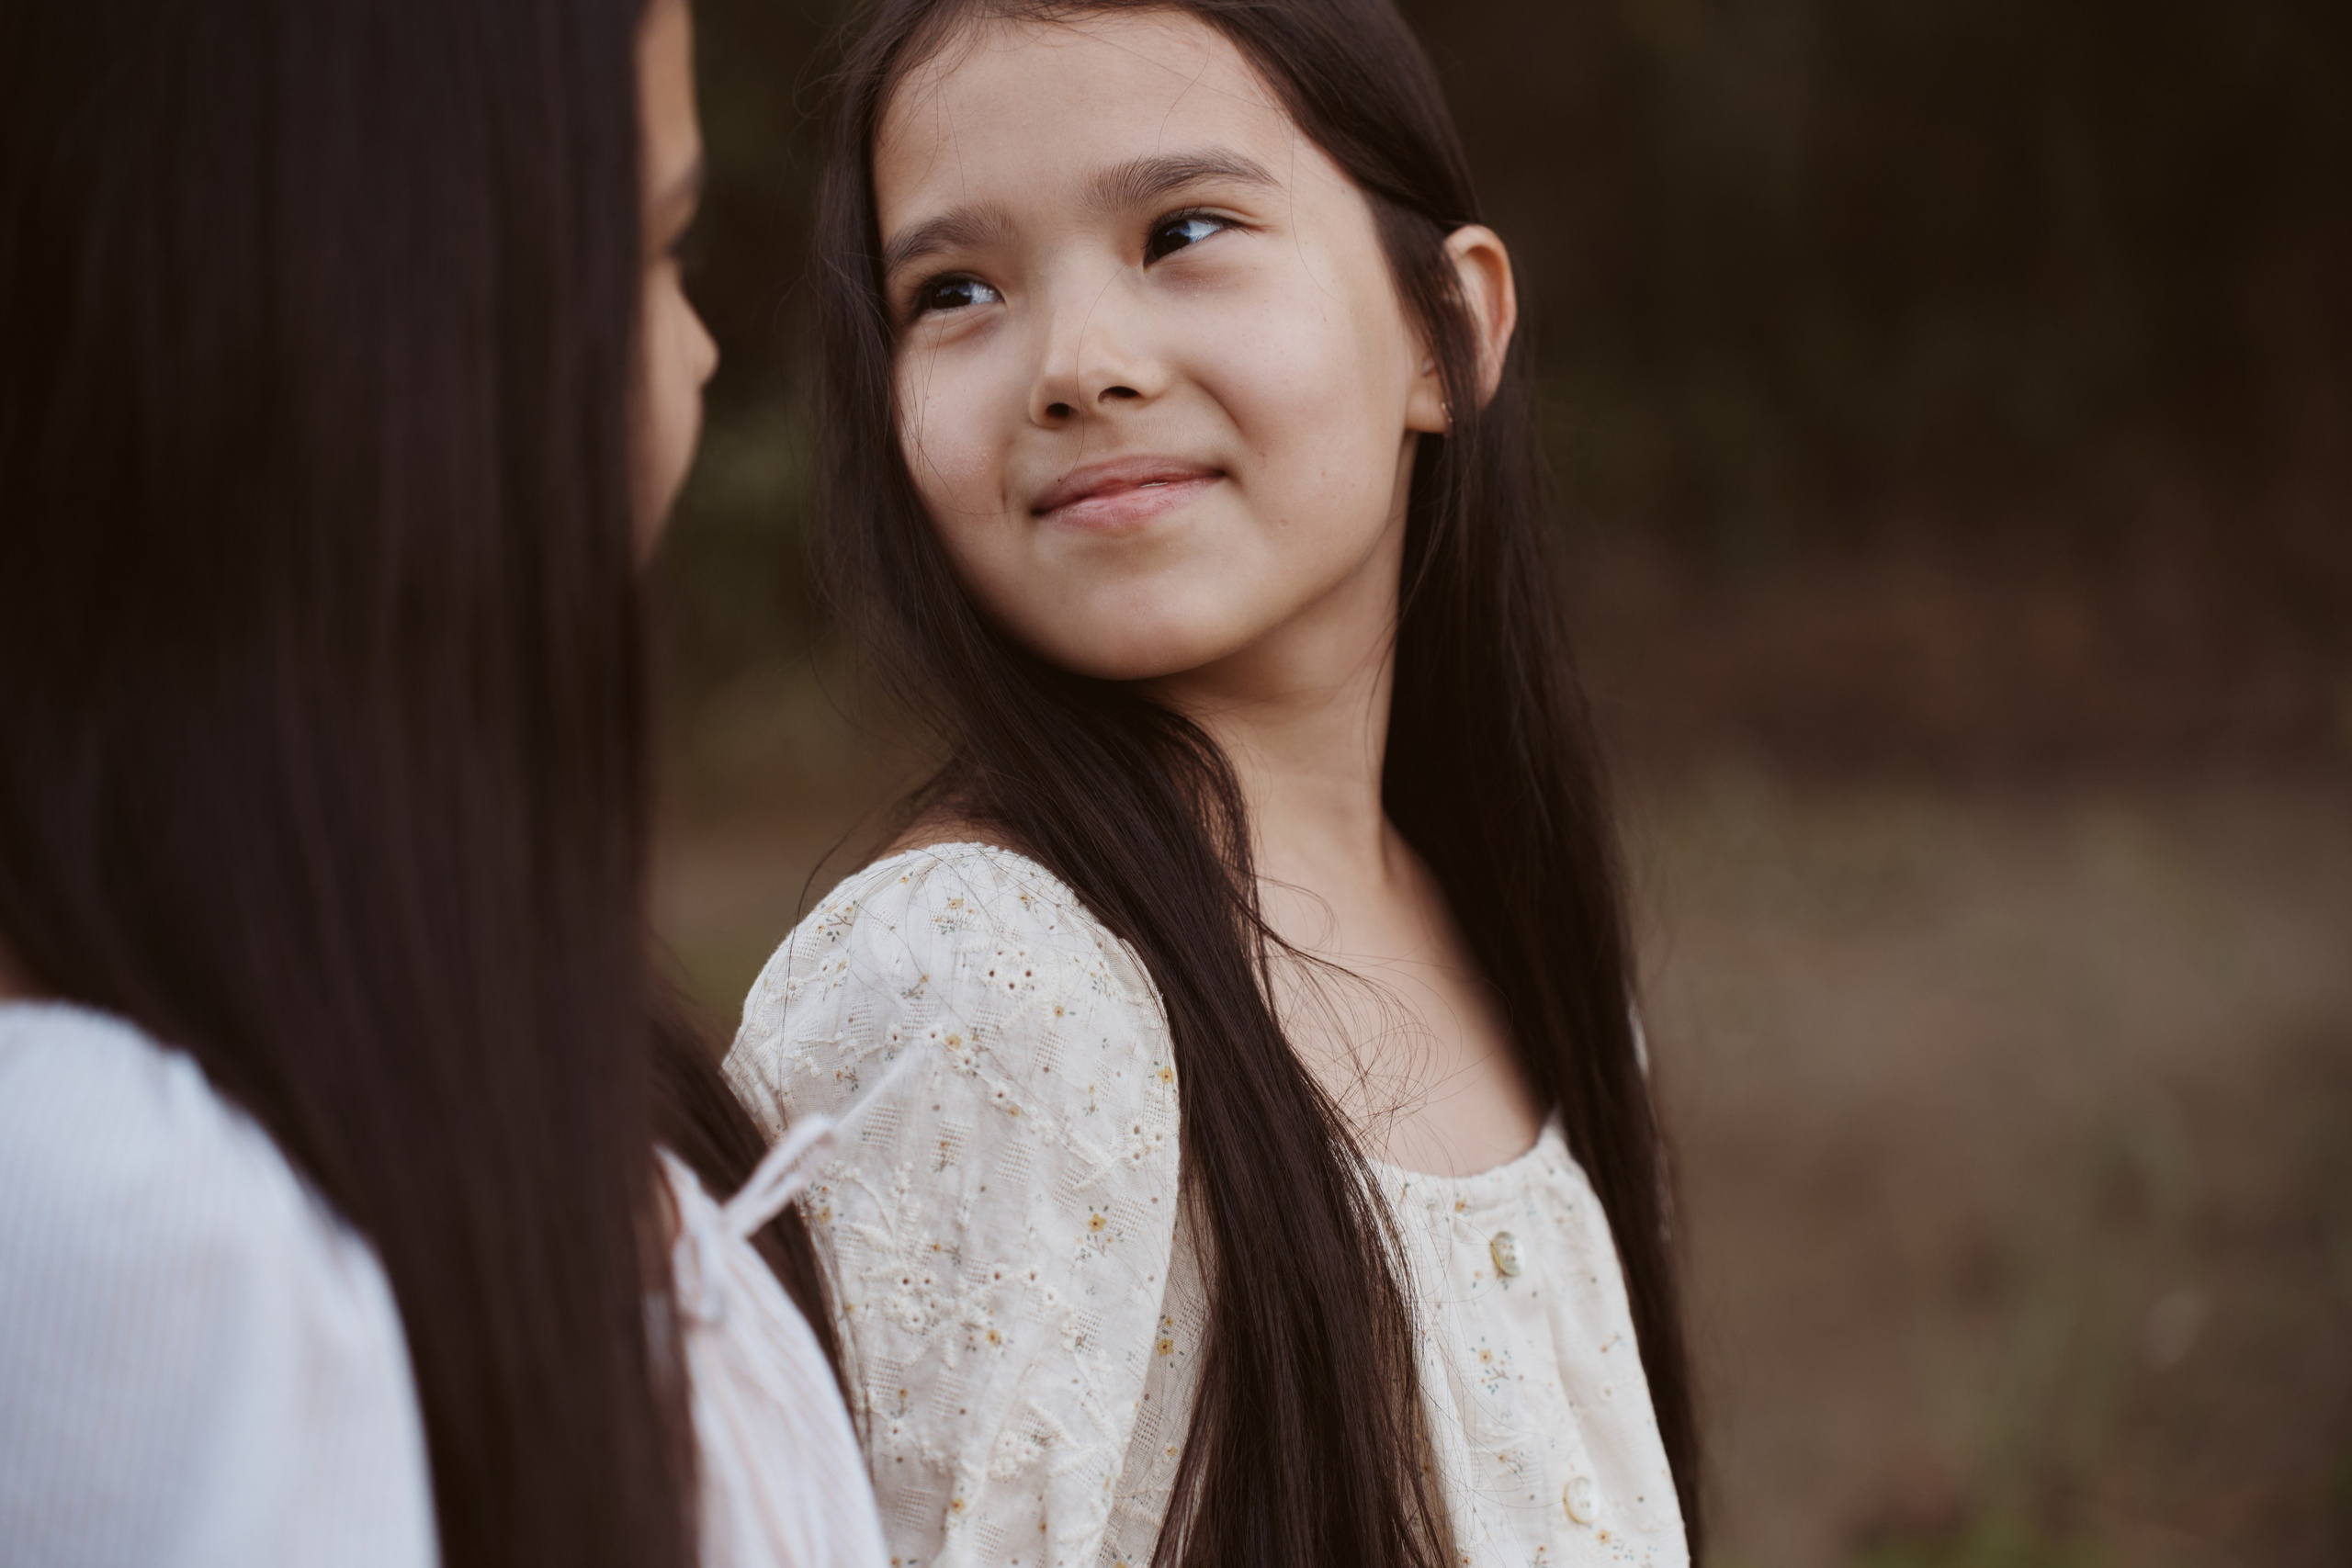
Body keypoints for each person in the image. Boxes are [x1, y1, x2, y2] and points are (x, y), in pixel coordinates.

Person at [722, 1, 1702, 1565]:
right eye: (955, 289)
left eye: (1183, 230)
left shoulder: (1508, 938)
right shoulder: (980, 991)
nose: (1077, 367)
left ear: (1447, 334)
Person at [0, 0, 883, 1564]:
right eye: (662, 252)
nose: (699, 348)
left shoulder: (522, 1076)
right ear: (417, 334)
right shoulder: (122, 1217)